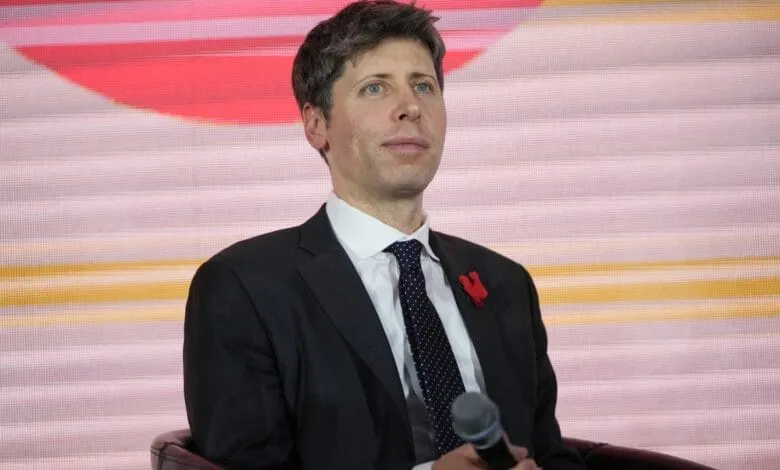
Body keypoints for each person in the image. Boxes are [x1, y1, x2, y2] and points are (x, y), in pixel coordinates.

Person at [183, 1, 584, 469]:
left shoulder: (505, 283)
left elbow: (550, 454)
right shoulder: (244, 288)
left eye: (424, 86)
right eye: (375, 88)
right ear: (316, 125)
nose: (410, 108)